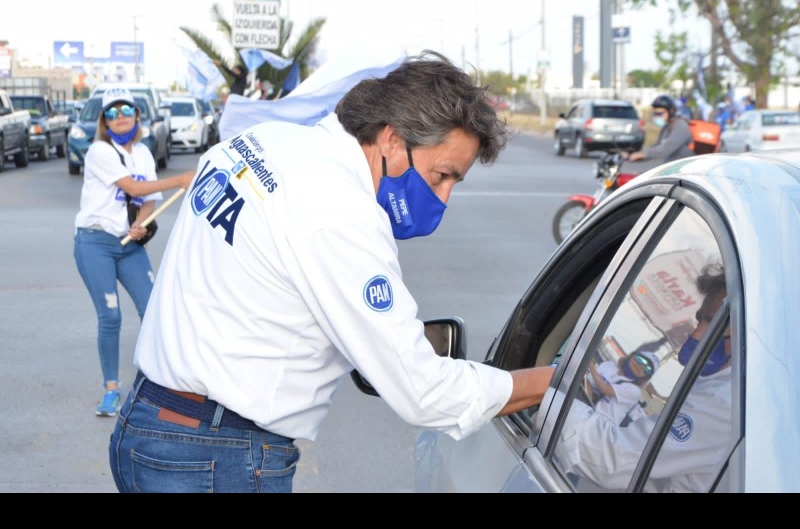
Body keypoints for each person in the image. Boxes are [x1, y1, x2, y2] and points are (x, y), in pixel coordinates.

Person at [108, 51, 556, 493]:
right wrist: (556, 381)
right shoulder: (341, 212)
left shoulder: (262, 142)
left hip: (146, 423)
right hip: (214, 456)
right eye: (441, 175)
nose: (443, 198)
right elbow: (423, 391)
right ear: (392, 139)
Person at [73, 87, 195, 418]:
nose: (120, 117)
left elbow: (147, 201)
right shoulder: (99, 151)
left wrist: (141, 223)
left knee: (153, 310)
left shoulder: (142, 152)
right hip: (95, 242)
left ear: (137, 114)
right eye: (112, 112)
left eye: (126, 109)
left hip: (128, 245)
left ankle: (160, 385)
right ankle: (111, 389)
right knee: (110, 316)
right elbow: (133, 187)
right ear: (104, 120)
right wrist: (179, 180)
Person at [558, 262, 732, 492]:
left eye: (714, 323)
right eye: (701, 319)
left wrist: (545, 393)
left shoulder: (723, 403)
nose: (696, 334)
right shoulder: (711, 387)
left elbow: (613, 460)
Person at [584, 350, 659, 426]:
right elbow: (588, 383)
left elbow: (605, 389)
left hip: (599, 426)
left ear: (646, 377)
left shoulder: (635, 391)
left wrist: (591, 366)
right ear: (632, 355)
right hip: (586, 409)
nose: (641, 367)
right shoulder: (610, 365)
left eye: (647, 369)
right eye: (641, 360)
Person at [626, 95, 694, 170]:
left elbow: (666, 149)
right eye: (655, 114)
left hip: (687, 169)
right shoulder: (667, 127)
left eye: (660, 113)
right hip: (673, 168)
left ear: (671, 112)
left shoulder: (681, 125)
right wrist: (633, 154)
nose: (657, 116)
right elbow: (656, 147)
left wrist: (643, 154)